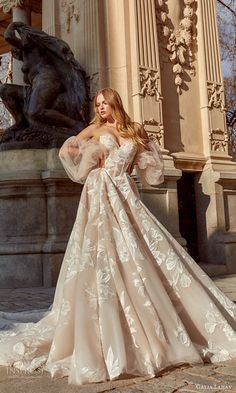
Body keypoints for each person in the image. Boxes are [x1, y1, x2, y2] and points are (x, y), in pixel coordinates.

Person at [0, 88, 236, 386]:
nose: (100, 108)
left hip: (126, 193)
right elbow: (67, 150)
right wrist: (90, 160)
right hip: (100, 192)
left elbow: (151, 168)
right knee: (103, 252)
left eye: (104, 103)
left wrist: (146, 161)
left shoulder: (134, 129)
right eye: (97, 104)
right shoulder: (95, 129)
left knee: (143, 251)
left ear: (115, 104)